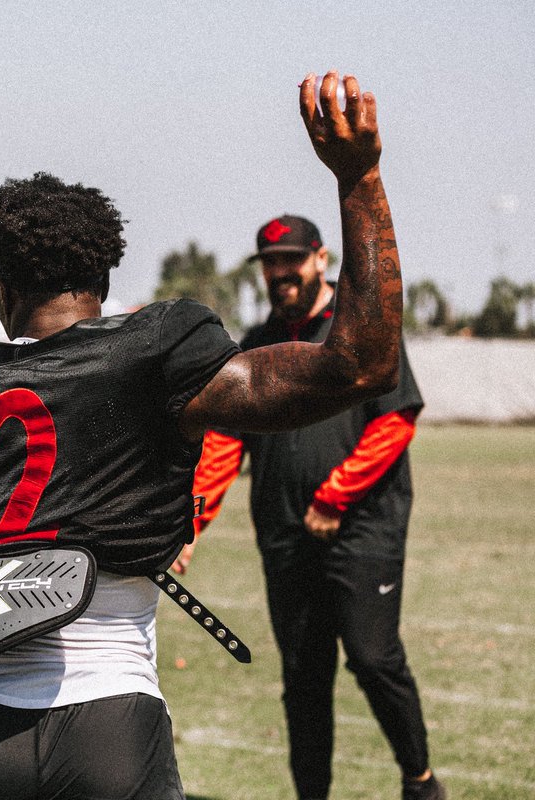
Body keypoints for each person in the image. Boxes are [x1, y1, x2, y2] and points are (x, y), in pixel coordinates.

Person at [0, 72, 405, 800]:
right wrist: (360, 177)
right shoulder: (159, 352)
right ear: (105, 279)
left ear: (2, 290)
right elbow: (362, 364)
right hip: (114, 727)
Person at [182, 213, 444, 800]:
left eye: (292, 260)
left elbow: (396, 420)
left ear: (321, 259)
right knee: (303, 679)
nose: (281, 273)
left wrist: (335, 495)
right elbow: (223, 442)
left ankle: (420, 781)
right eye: (271, 263)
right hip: (283, 535)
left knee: (374, 659)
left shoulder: (361, 330)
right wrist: (191, 519)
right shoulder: (252, 346)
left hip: (360, 530)